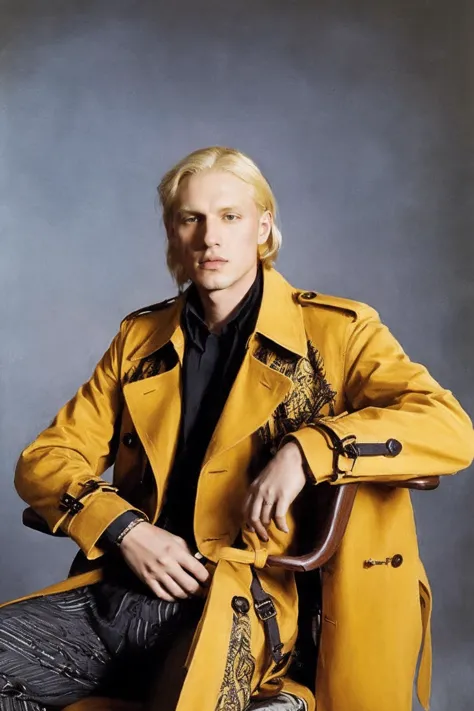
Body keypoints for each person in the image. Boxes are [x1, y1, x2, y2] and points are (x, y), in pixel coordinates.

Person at [1, 146, 473, 711]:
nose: (210, 238)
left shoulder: (337, 332)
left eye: (230, 217)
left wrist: (308, 450)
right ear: (173, 233)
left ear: (263, 226)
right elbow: (47, 456)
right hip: (123, 591)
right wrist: (126, 529)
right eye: (190, 218)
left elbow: (449, 427)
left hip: (249, 604)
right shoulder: (141, 338)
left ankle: (286, 696)